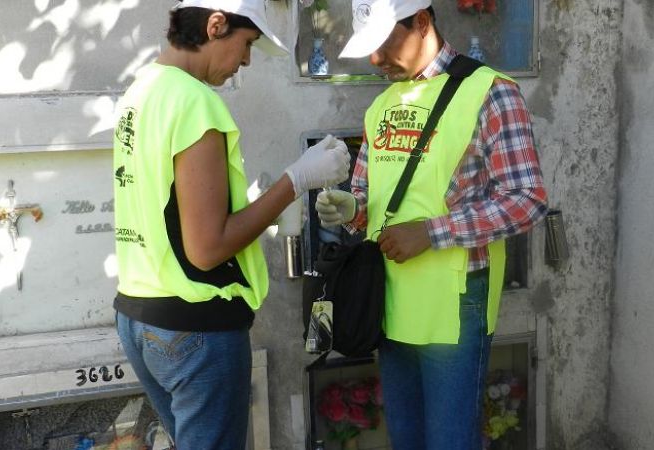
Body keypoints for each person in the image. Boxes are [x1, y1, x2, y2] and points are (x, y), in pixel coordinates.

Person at [111, 1, 350, 448]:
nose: (245, 61)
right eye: (247, 44)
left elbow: (171, 211)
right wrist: (294, 181)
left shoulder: (142, 90)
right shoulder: (195, 102)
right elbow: (206, 248)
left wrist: (256, 210)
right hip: (194, 327)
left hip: (140, 316)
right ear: (215, 25)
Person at [315, 1, 547, 449]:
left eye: (384, 43)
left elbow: (527, 200)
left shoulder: (490, 91)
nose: (375, 60)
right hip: (391, 296)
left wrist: (431, 232)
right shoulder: (381, 106)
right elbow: (370, 202)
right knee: (406, 436)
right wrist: (352, 209)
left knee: (450, 440)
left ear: (422, 22)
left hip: (456, 302)